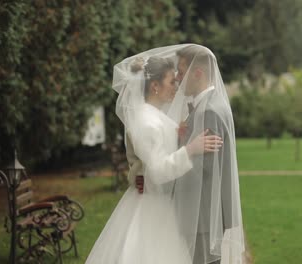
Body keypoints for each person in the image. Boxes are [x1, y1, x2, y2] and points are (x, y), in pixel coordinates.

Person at [85, 52, 223, 264]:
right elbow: (157, 171)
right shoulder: (146, 121)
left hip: (160, 204)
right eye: (171, 81)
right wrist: (190, 150)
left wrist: (179, 133)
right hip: (152, 208)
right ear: (155, 86)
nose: (176, 86)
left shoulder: (154, 116)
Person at [137, 44, 245, 264]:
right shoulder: (208, 106)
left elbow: (203, 169)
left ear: (198, 73)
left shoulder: (210, 110)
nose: (177, 77)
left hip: (201, 217)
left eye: (182, 71)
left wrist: (156, 181)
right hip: (200, 215)